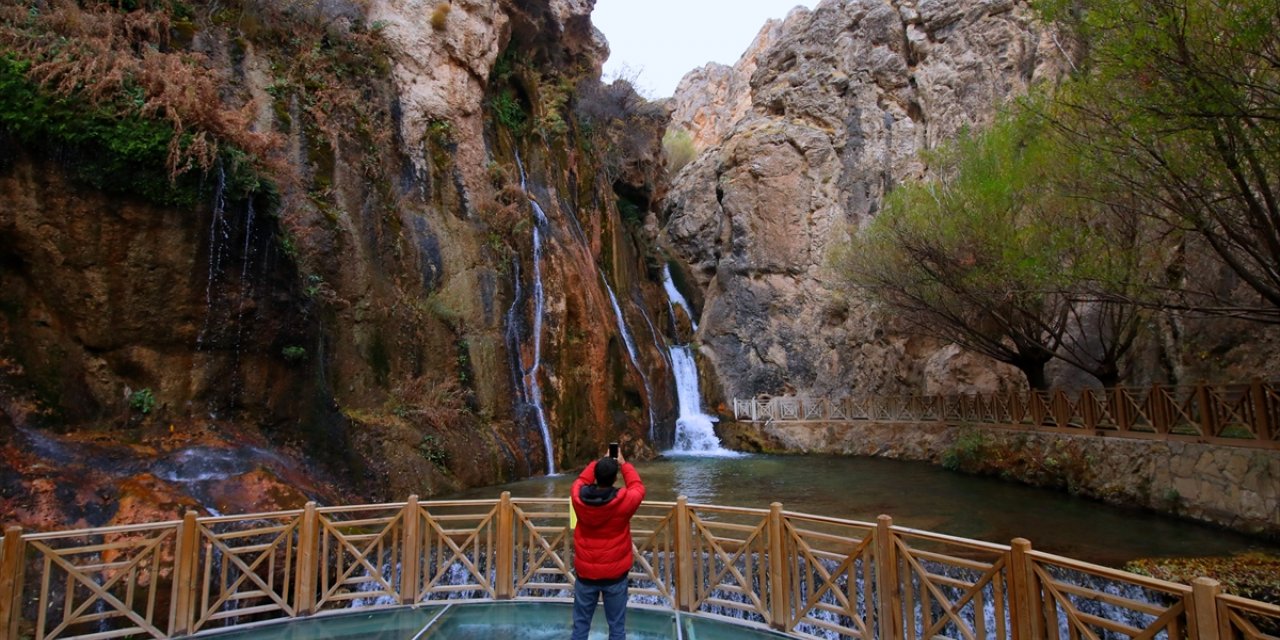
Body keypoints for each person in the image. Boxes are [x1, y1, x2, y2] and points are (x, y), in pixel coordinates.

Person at [570, 446, 645, 640]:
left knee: (580, 626)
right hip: (615, 576)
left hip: (585, 574)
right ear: (614, 479)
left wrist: (598, 463)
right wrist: (623, 463)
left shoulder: (577, 498)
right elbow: (638, 487)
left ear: (595, 476)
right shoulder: (624, 502)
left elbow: (580, 481)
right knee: (617, 628)